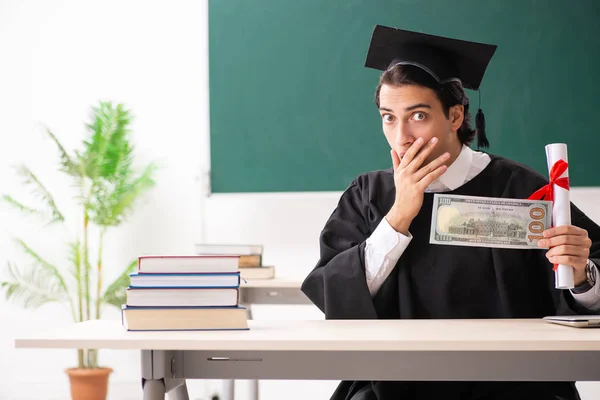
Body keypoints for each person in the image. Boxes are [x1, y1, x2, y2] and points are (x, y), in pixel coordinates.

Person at [300, 25, 600, 400]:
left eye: (418, 115)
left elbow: (588, 285)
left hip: (513, 386)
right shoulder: (369, 196)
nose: (401, 136)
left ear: (455, 116)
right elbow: (334, 297)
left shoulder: (523, 190)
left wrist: (583, 275)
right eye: (389, 117)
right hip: (397, 385)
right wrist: (398, 218)